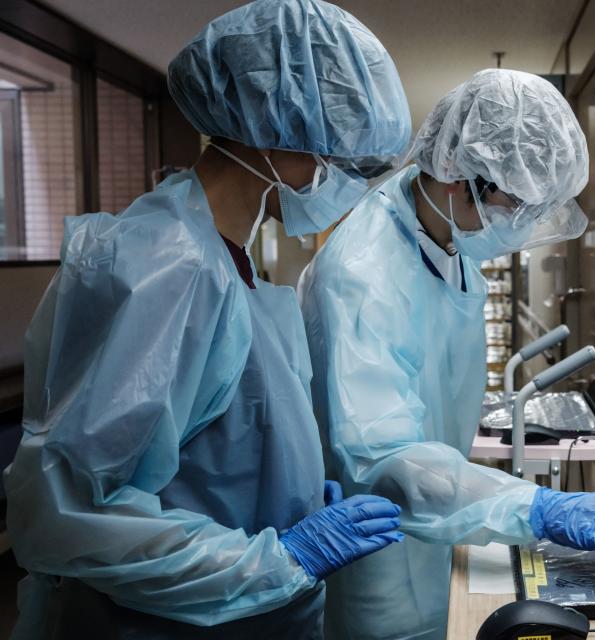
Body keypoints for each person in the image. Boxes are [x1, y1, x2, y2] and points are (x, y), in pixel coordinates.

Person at [2, 1, 411, 638]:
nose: (345, 179)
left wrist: (294, 497)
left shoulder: (229, 261)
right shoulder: (171, 266)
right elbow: (75, 513)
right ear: (273, 132)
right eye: (337, 154)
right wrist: (282, 556)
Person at [299, 69, 595, 640]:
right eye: (518, 202)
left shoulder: (442, 236)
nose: (523, 222)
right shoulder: (362, 276)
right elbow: (384, 462)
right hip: (382, 555)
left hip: (440, 522)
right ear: (458, 173)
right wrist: (539, 509)